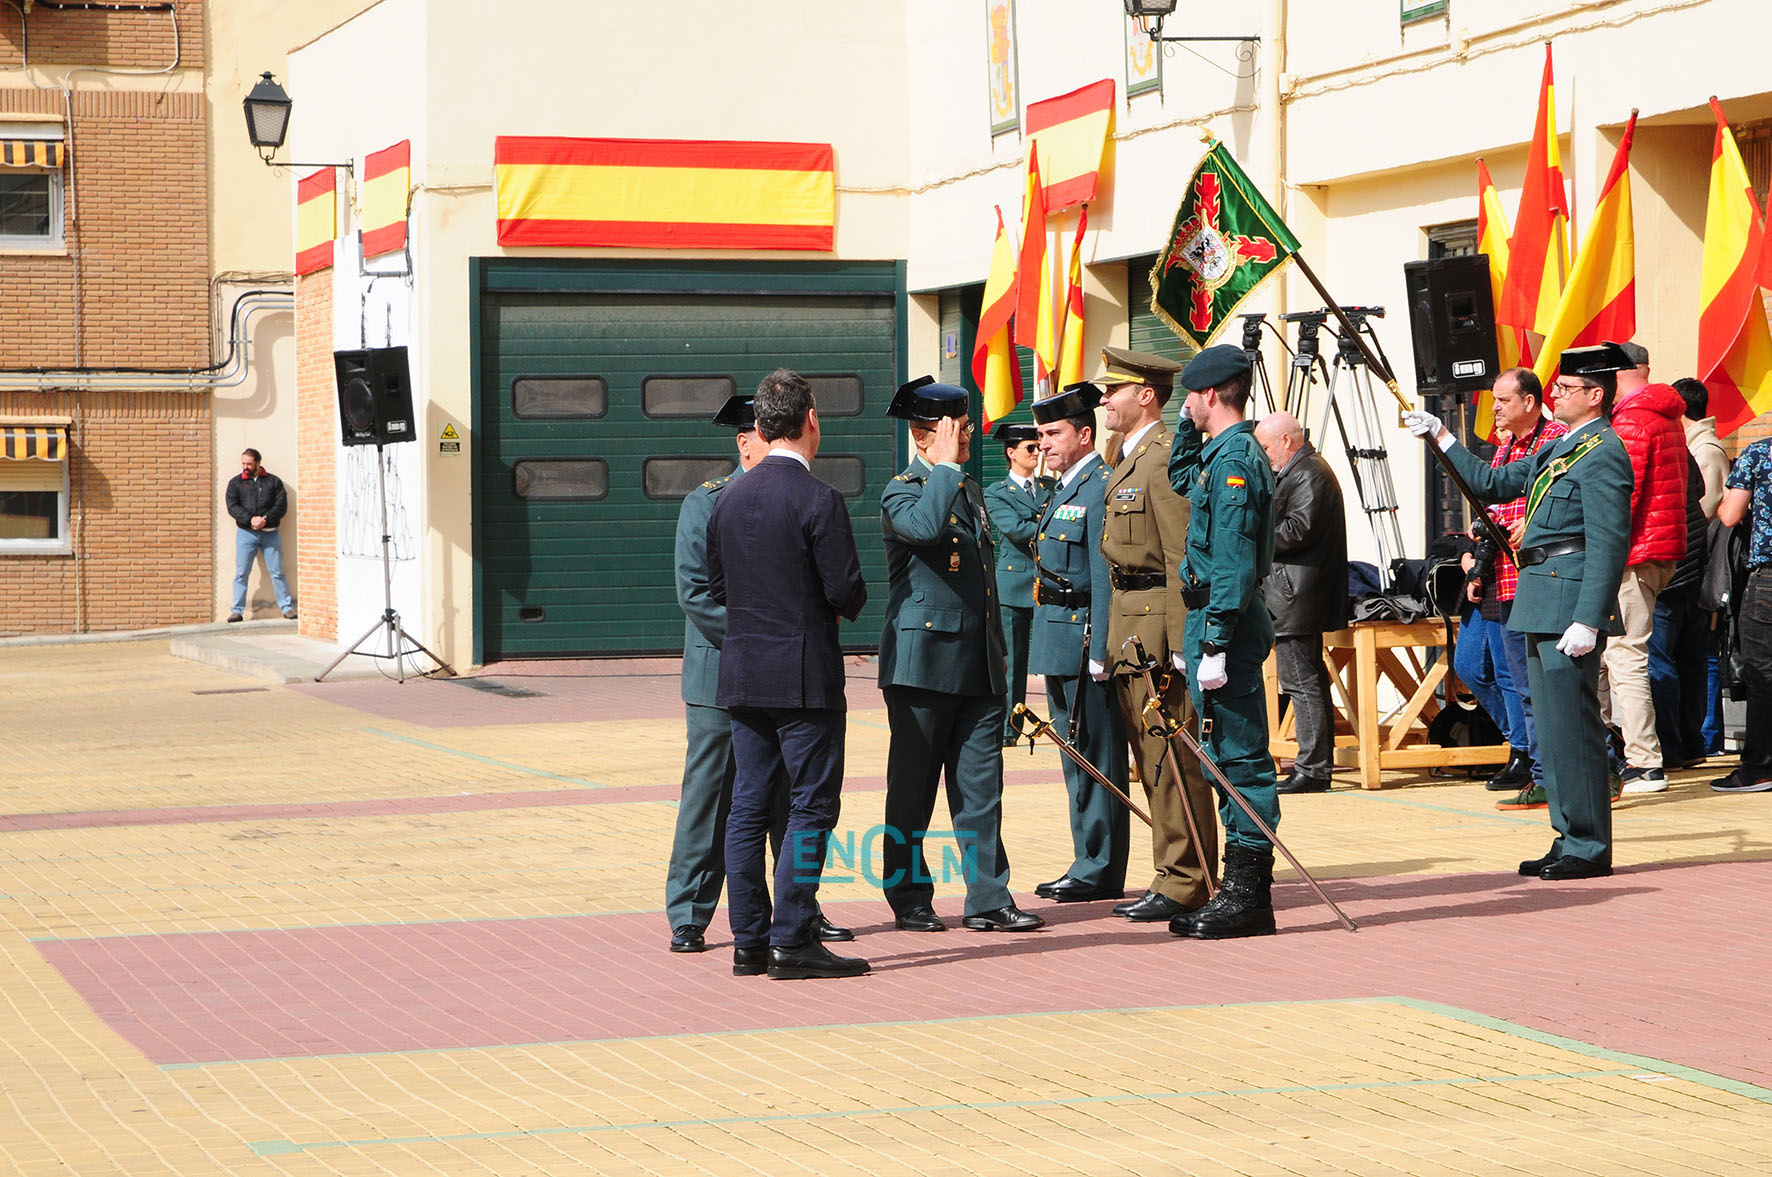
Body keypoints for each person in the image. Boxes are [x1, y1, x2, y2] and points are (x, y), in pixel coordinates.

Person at [1405, 343, 1634, 879]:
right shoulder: (1565, 449)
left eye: (1567, 388)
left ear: (1594, 395)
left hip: (1568, 600)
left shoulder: (1603, 451)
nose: (1556, 392)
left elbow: (1607, 541)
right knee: (1551, 729)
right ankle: (1567, 832)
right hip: (1537, 592)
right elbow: (1494, 484)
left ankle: (1588, 845)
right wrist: (1441, 438)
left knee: (1573, 728)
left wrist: (1589, 614)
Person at [666, 394, 853, 954]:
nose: (760, 443)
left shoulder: (790, 497)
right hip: (721, 674)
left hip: (766, 668)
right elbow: (697, 594)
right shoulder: (709, 502)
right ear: (742, 441)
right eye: (751, 435)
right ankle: (691, 911)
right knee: (712, 797)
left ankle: (793, 916)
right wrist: (763, 635)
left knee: (785, 801)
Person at [706, 369, 870, 980]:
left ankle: (749, 939)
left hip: (744, 673)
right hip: (804, 677)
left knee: (748, 807)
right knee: (809, 808)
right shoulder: (818, 498)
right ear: (809, 422)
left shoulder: (729, 497)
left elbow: (718, 587)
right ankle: (792, 936)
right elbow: (847, 591)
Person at [877, 377, 1043, 934]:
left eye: (967, 428)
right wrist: (944, 468)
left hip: (977, 664)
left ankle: (988, 898)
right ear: (925, 437)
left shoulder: (970, 489)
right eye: (956, 429)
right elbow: (924, 530)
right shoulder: (902, 491)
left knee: (981, 789)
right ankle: (908, 895)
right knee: (913, 789)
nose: (966, 438)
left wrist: (999, 659)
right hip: (922, 666)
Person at [1097, 347, 1217, 924]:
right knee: (1150, 761)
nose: (1103, 401)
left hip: (1154, 626)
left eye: (1111, 390)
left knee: (1171, 757)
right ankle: (1169, 871)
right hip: (1129, 623)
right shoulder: (1125, 455)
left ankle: (1187, 878)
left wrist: (1176, 641)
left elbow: (1177, 556)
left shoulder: (1164, 457)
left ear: (1146, 394)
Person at [1165, 346, 1279, 938]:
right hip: (1212, 619)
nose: (1184, 403)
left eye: (1190, 395)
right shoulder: (1221, 454)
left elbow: (1233, 562)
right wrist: (1186, 430)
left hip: (1225, 624)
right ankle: (1240, 888)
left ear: (1212, 394)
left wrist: (1214, 641)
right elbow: (1182, 477)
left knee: (1241, 759)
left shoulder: (1238, 461)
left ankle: (1249, 893)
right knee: (1220, 755)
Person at [1027, 382, 1129, 903]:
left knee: (1096, 756)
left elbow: (1101, 572)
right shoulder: (1065, 485)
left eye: (1053, 432)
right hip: (1057, 639)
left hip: (1086, 639)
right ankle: (1087, 858)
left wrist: (1100, 651)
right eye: (1040, 433)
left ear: (1084, 434)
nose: (1042, 442)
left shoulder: (1099, 486)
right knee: (1075, 759)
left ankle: (1100, 866)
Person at [1463, 369, 1566, 809]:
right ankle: (1537, 769)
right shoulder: (1506, 446)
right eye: (1494, 400)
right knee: (1518, 683)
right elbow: (1496, 500)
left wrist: (1535, 522)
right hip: (1504, 578)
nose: (1496, 409)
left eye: (1503, 400)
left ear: (1529, 402)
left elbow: (1563, 499)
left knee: (1552, 683)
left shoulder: (1557, 440)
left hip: (1543, 579)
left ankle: (1596, 762)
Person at [1602, 341, 1689, 795]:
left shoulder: (1634, 419)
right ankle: (1615, 753)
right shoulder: (1664, 414)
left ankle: (1643, 763)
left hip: (1634, 553)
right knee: (1616, 654)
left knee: (1624, 655)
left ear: (1618, 373)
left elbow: (1622, 495)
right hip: (1659, 549)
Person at [1253, 410, 1347, 795]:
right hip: (1295, 591)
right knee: (1306, 680)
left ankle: (1313, 768)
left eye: (1265, 446)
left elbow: (1298, 530)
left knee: (1300, 681)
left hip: (1297, 595)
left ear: (1287, 442)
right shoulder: (1298, 470)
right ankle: (1316, 763)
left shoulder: (1308, 472)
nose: (1263, 454)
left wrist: (1254, 530)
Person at [1672, 376, 1731, 758]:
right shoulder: (1695, 446)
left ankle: (1707, 735)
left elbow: (1706, 510)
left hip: (1702, 567)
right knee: (1696, 654)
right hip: (1697, 564)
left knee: (1702, 655)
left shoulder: (1706, 450)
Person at [984, 422, 1050, 747]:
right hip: (1014, 584)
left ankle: (1064, 722)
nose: (1037, 453)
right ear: (1011, 453)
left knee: (1055, 658)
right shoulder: (996, 493)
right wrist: (1048, 522)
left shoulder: (1050, 487)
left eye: (1038, 446)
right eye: (1030, 448)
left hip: (1049, 582)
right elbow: (1017, 530)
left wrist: (1037, 523)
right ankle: (1010, 727)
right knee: (1014, 662)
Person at [1715, 439, 1772, 793]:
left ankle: (1760, 767)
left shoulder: (1760, 452)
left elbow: (1729, 514)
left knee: (1763, 673)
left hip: (1768, 575)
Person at [225, 448, 296, 622]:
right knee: (242, 573)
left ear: (258, 463)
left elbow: (281, 506)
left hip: (270, 534)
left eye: (249, 463)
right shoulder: (235, 483)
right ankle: (237, 610)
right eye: (243, 463)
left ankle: (287, 608)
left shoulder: (273, 482)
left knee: (277, 571)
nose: (245, 467)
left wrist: (265, 519)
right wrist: (250, 519)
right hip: (246, 534)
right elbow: (232, 506)